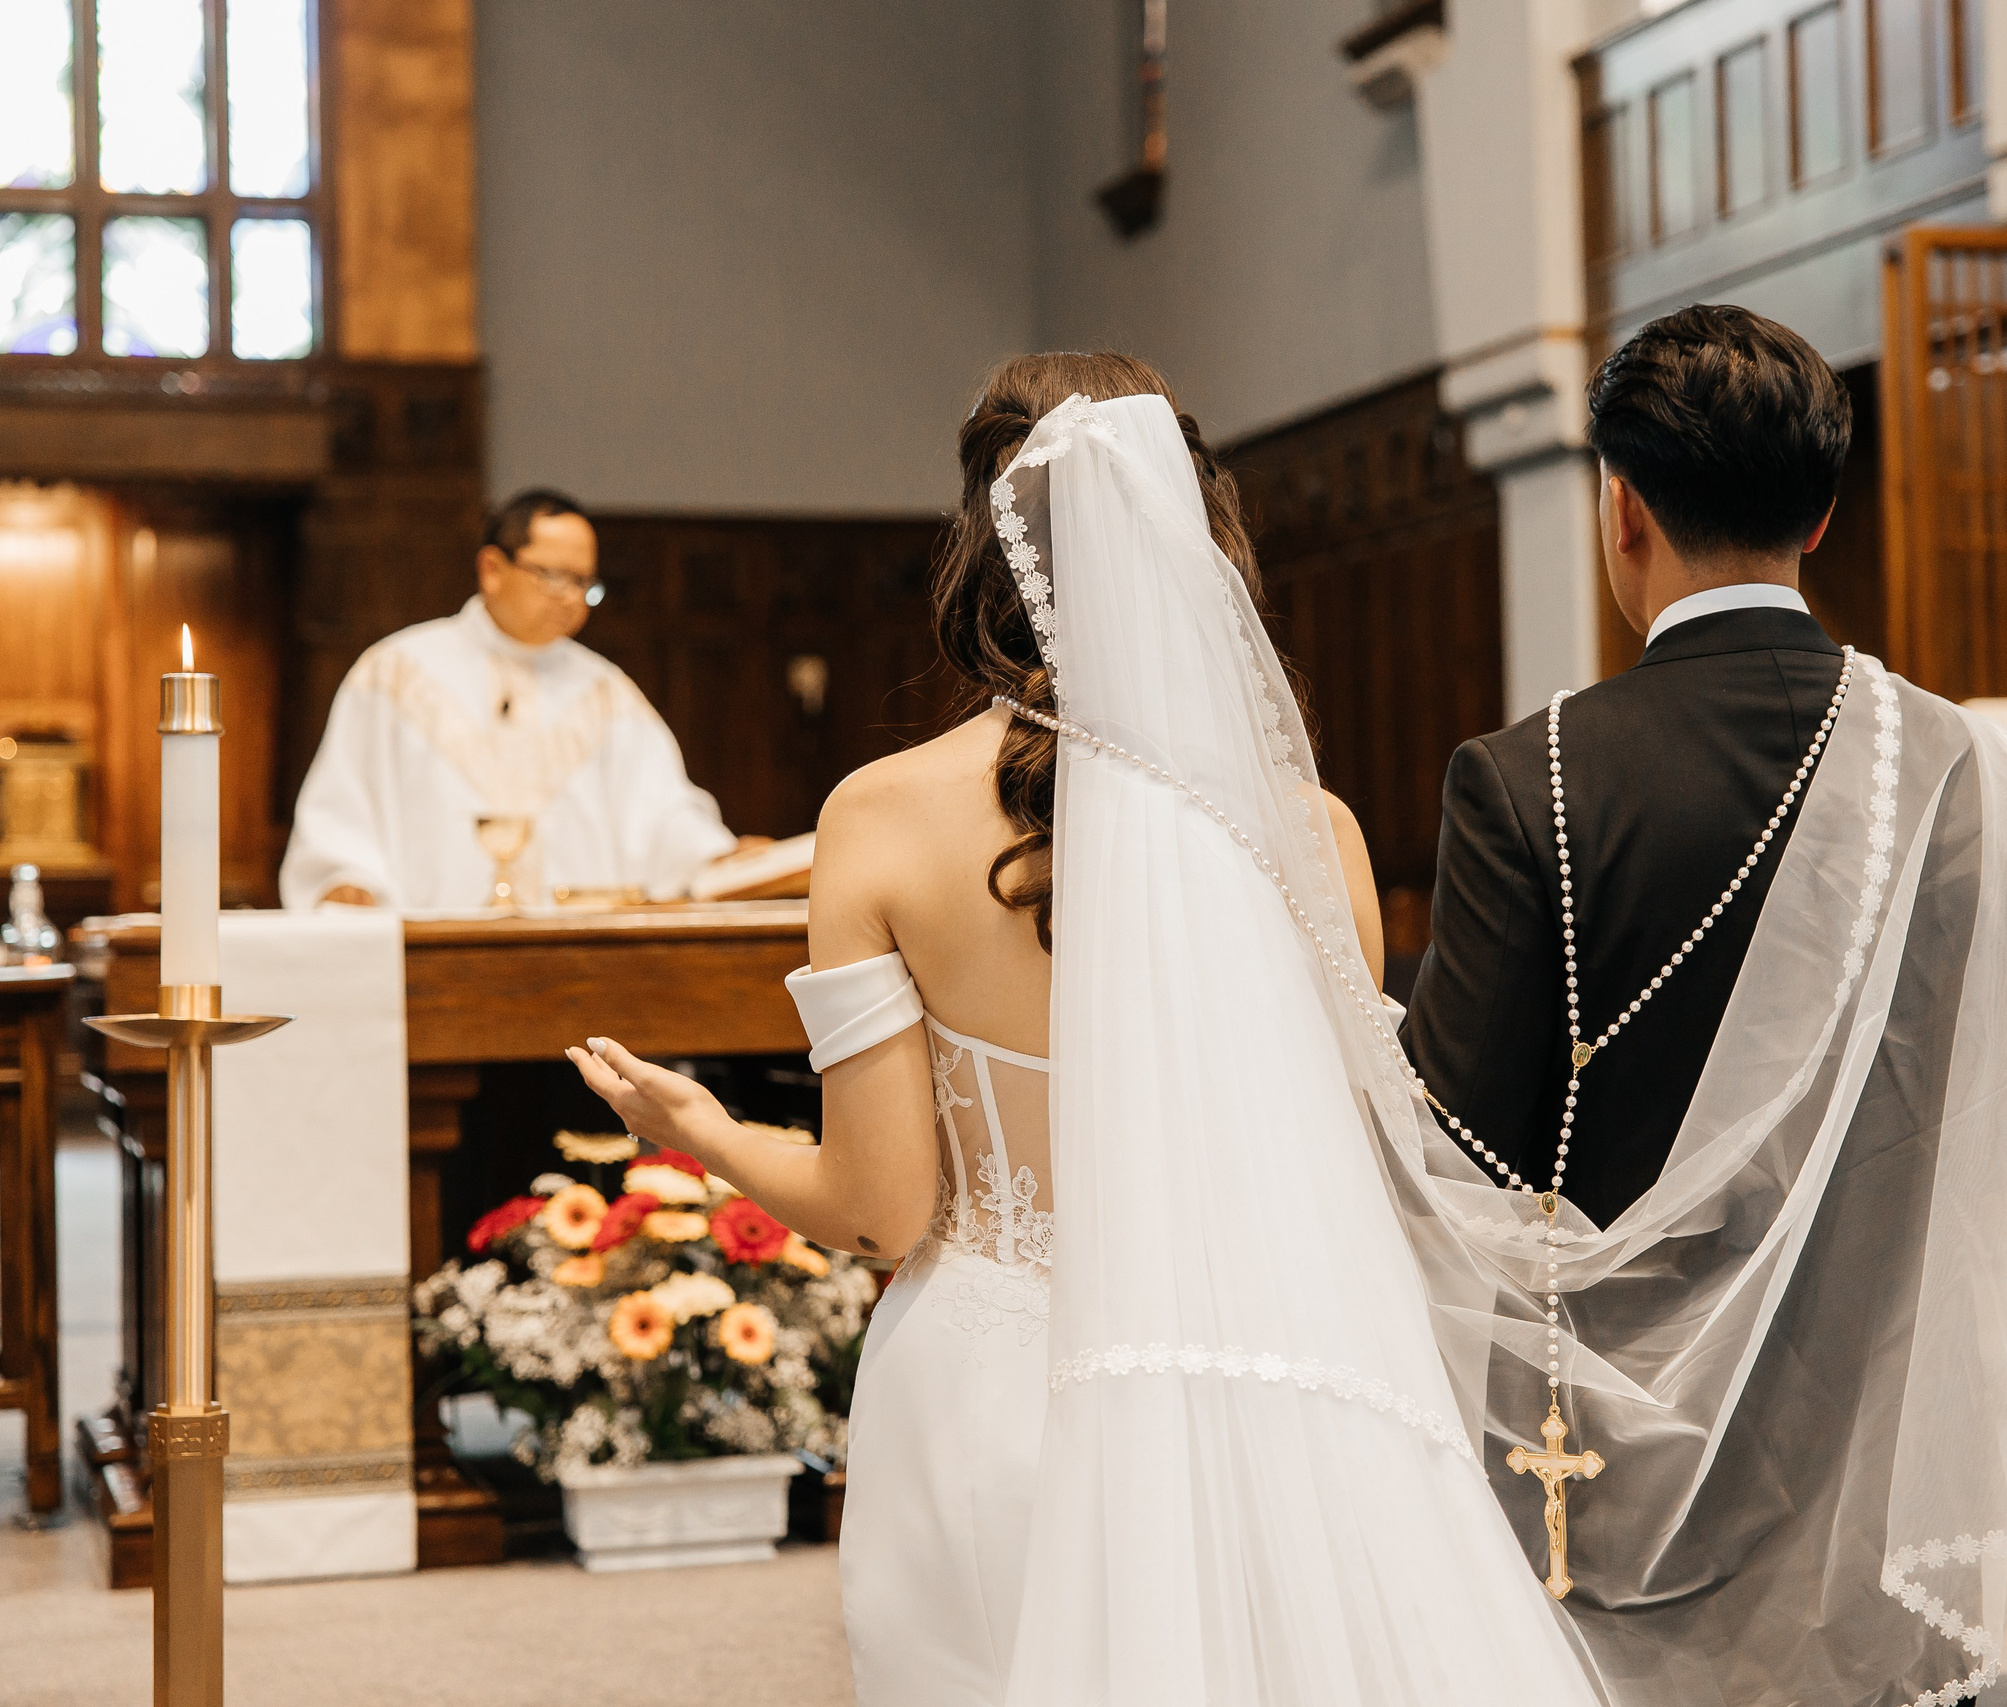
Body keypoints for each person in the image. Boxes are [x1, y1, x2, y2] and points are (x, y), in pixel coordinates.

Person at [570, 355, 1608, 1706]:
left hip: (1002, 1392)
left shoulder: (879, 816)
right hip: (1275, 1377)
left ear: (981, 554)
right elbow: (1345, 1171)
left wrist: (700, 1129)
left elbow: (880, 1211)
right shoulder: (1314, 831)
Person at [1399, 305, 2007, 1702]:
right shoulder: (1968, 773)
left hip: (1617, 1469)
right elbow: (2005, 1098)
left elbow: (1464, 1149)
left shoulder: (1531, 775)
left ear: (1622, 507)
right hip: (1885, 1449)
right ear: (1820, 516)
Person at [278, 489, 739, 910]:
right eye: (553, 576)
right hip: (432, 953)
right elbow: (340, 815)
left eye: (583, 583)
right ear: (492, 570)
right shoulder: (394, 674)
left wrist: (717, 858)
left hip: (574, 953)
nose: (571, 599)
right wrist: (344, 881)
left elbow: (662, 813)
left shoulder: (607, 693)